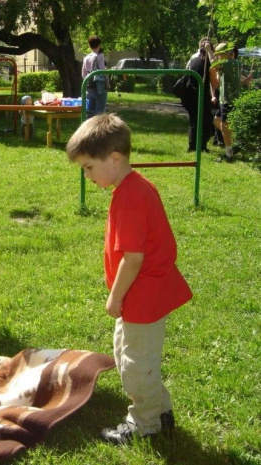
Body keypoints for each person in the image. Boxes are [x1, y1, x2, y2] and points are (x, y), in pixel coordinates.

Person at [66, 114, 193, 445]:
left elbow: (133, 259)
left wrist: (115, 296)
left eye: (88, 167)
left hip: (142, 295)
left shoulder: (131, 196)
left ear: (114, 158)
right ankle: (160, 411)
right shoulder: (130, 187)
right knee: (128, 355)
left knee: (137, 364)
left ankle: (145, 422)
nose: (87, 174)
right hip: (141, 294)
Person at [210, 42, 252, 162]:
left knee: (224, 127)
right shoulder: (235, 64)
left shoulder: (227, 63)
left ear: (228, 53)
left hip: (228, 100)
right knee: (216, 121)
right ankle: (236, 143)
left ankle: (229, 154)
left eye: (220, 54)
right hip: (227, 99)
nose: (218, 57)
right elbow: (236, 81)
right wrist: (245, 81)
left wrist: (209, 50)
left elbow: (213, 65)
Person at [183, 38, 215, 153]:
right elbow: (216, 66)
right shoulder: (207, 58)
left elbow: (186, 69)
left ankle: (192, 146)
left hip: (190, 92)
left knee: (194, 121)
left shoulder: (193, 57)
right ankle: (201, 145)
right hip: (200, 93)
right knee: (206, 121)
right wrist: (210, 51)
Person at [81, 36, 108, 118]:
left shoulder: (86, 58)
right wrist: (107, 82)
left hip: (89, 87)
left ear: (89, 45)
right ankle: (98, 130)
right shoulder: (100, 56)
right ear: (99, 45)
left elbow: (83, 73)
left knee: (89, 111)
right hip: (99, 87)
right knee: (99, 112)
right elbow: (102, 71)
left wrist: (89, 80)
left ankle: (88, 129)